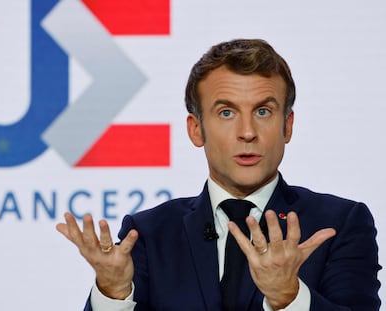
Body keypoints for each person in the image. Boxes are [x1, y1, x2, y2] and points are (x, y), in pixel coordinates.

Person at [56, 39, 381, 310]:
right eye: (226, 112)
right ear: (196, 129)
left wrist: (290, 298)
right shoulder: (148, 234)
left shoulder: (340, 224)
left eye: (263, 111)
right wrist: (113, 293)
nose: (247, 132)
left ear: (288, 126)